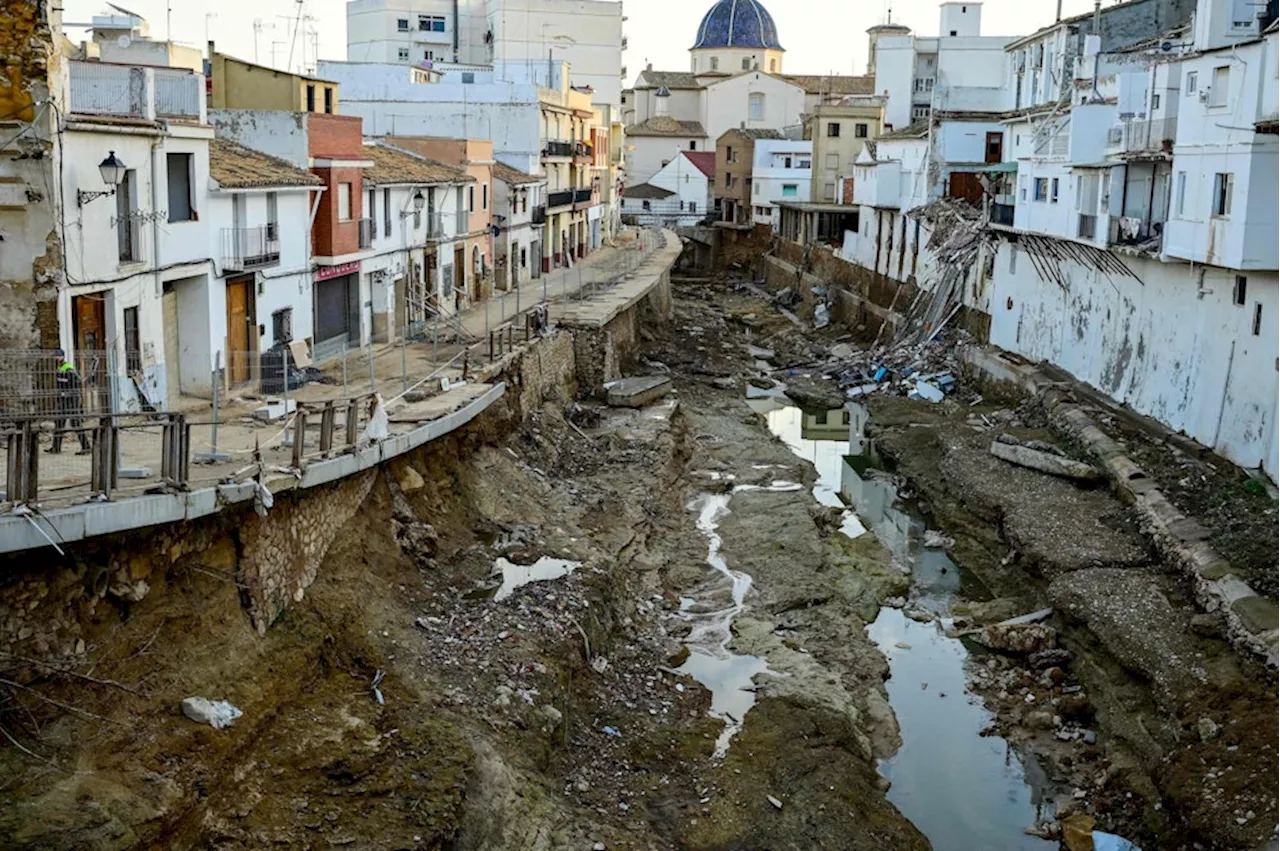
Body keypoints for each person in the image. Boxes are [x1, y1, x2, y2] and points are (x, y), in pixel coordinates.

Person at [49, 350, 90, 455]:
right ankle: (55, 447)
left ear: (62, 356)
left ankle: (86, 447)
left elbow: (75, 384)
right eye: (55, 357)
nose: (55, 358)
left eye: (57, 356)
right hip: (64, 400)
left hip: (71, 401)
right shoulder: (60, 368)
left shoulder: (69, 369)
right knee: (59, 423)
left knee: (75, 423)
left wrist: (66, 394)